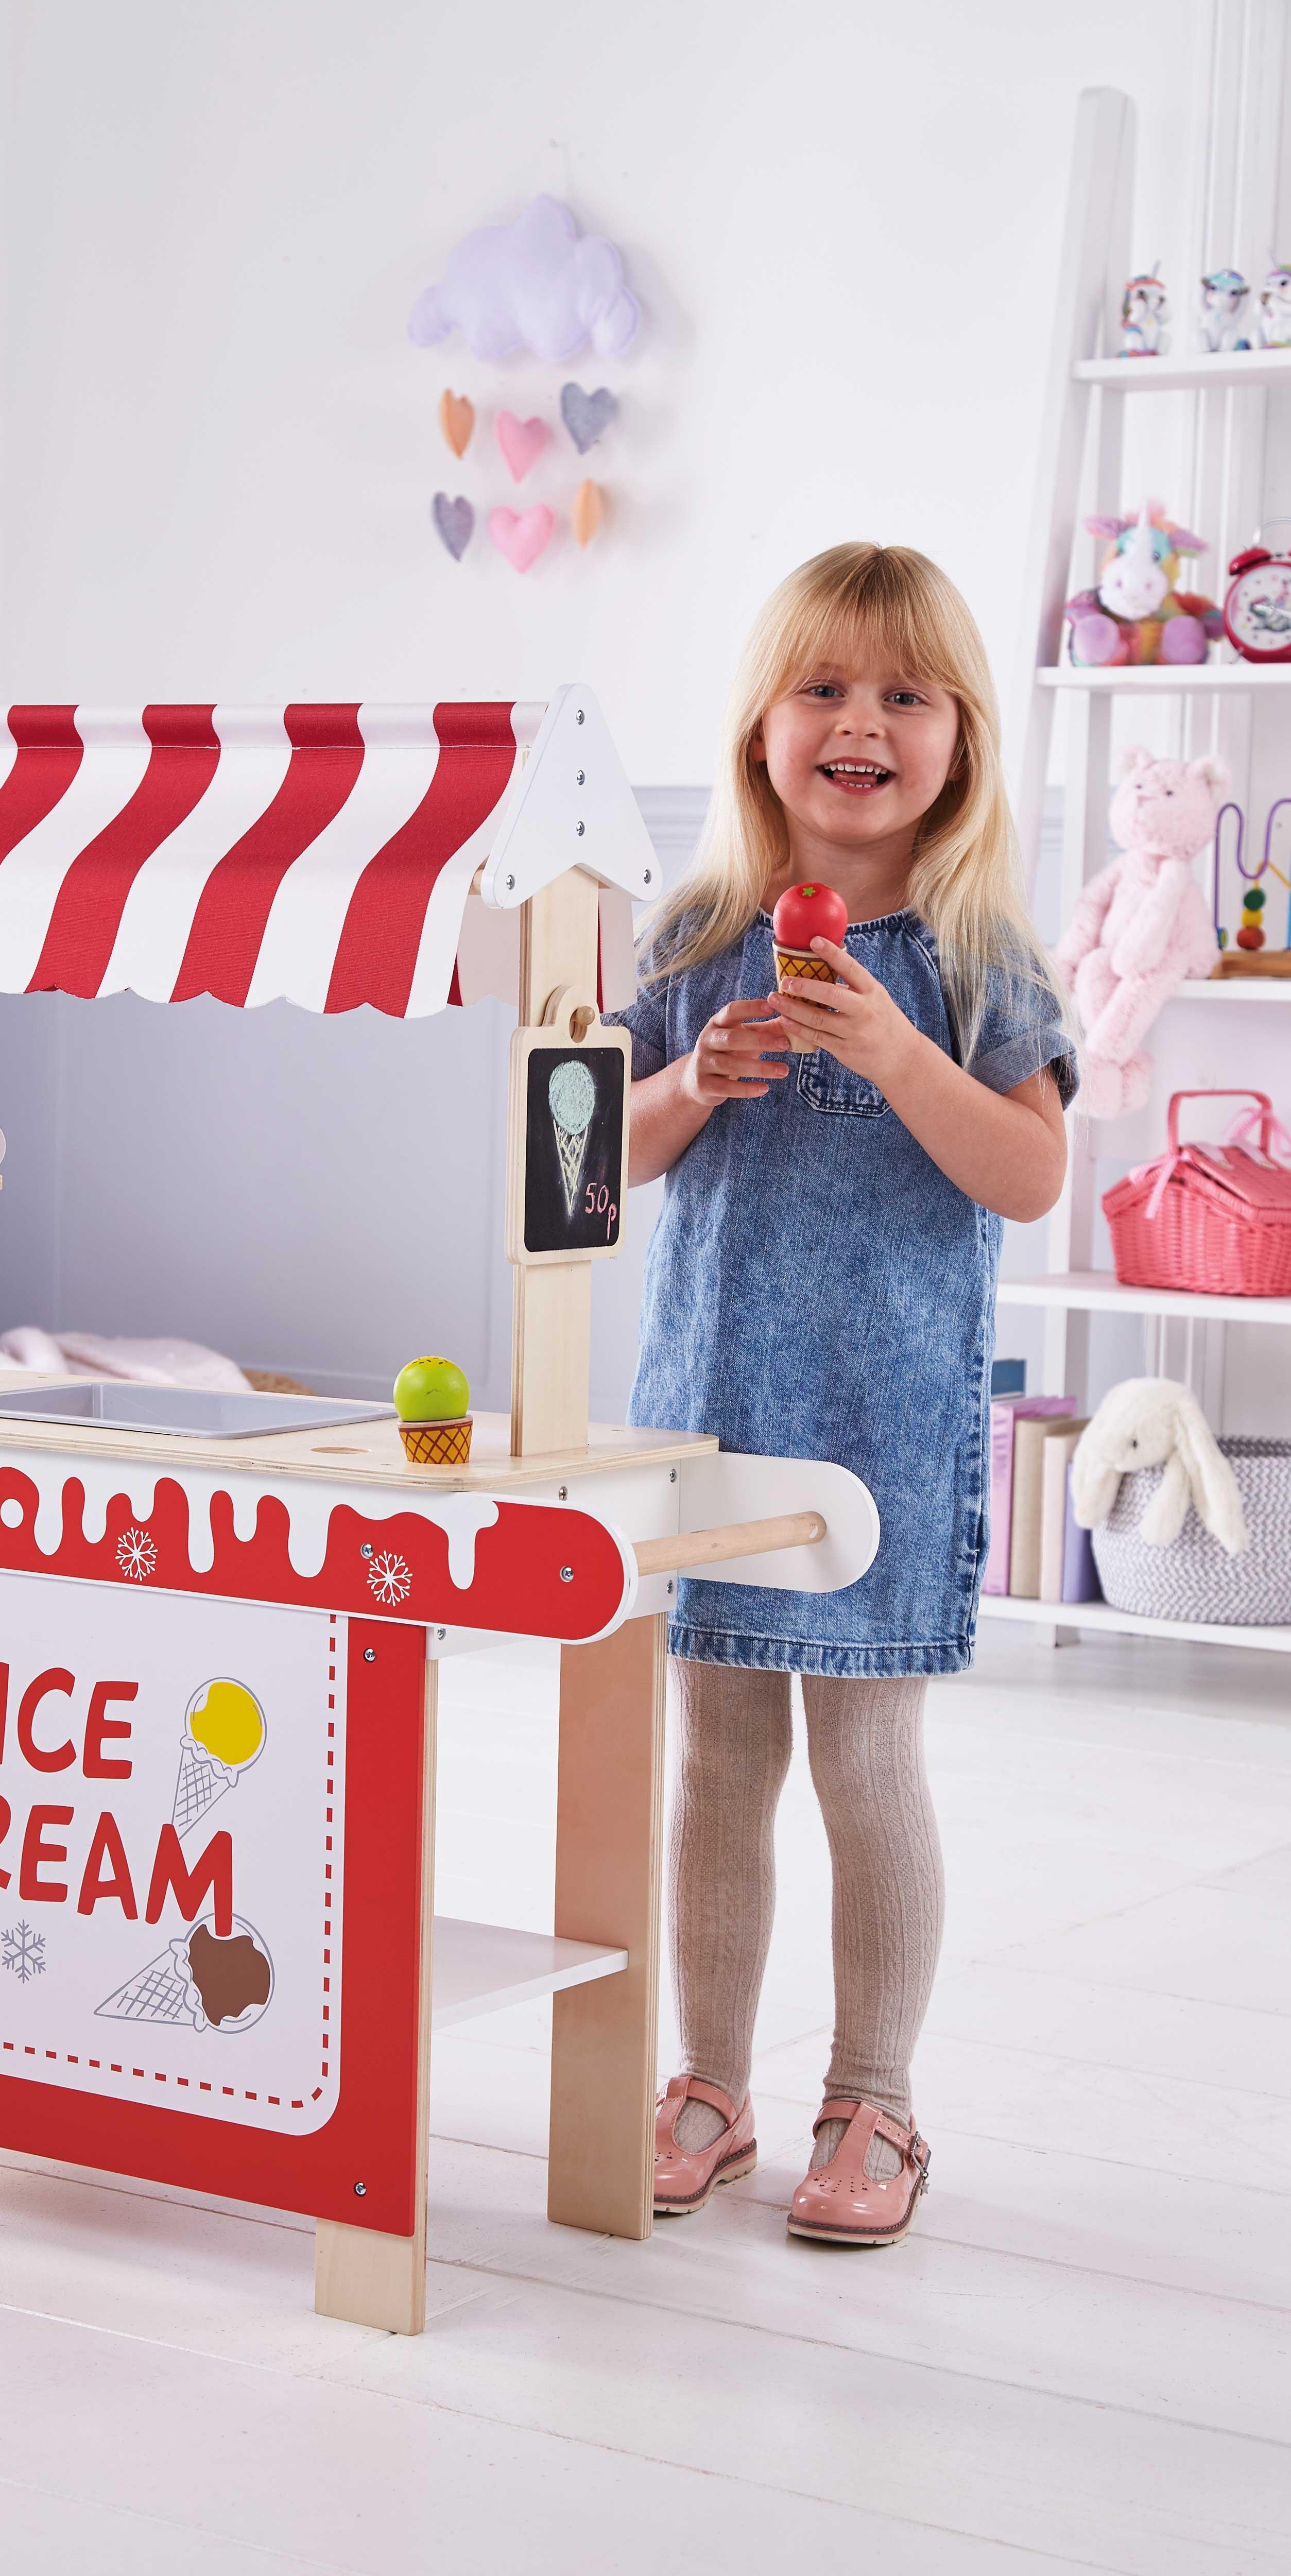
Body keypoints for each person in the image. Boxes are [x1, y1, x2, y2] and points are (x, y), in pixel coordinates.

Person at [608, 542, 1075, 2246]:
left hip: (882, 1431)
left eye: (902, 693)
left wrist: (901, 1056)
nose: (858, 722)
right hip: (708, 1426)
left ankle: (872, 2098)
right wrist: (685, 1083)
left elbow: (1024, 1173)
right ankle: (708, 2082)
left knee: (865, 1766)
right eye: (822, 686)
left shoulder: (974, 949)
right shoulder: (694, 931)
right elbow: (586, 1167)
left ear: (959, 738)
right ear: (757, 727)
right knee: (713, 1763)